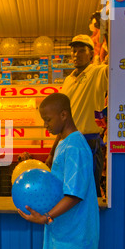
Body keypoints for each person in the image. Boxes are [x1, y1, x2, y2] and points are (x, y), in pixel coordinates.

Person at [18, 93, 99, 249]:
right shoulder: (63, 143)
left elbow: (74, 194)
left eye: (48, 120)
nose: (45, 125)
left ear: (64, 115)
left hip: (72, 242)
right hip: (60, 241)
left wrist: (46, 217)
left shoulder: (75, 148)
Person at [46, 34, 108, 197]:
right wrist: (53, 152)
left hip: (87, 143)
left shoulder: (98, 72)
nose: (76, 54)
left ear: (91, 54)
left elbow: (113, 70)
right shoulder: (67, 80)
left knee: (87, 194)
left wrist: (110, 35)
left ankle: (92, 222)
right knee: (66, 192)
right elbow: (62, 119)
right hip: (65, 143)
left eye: (82, 51)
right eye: (74, 51)